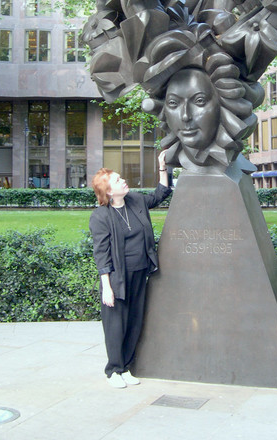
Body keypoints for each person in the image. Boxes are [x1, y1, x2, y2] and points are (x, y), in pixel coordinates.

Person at [89, 150, 171, 388]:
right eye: (116, 180)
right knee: (116, 324)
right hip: (117, 277)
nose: (123, 180)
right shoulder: (100, 217)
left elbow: (160, 194)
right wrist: (107, 287)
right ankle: (113, 370)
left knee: (134, 321)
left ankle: (126, 367)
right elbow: (101, 253)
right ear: (108, 191)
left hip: (140, 272)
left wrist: (162, 167)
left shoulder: (135, 201)